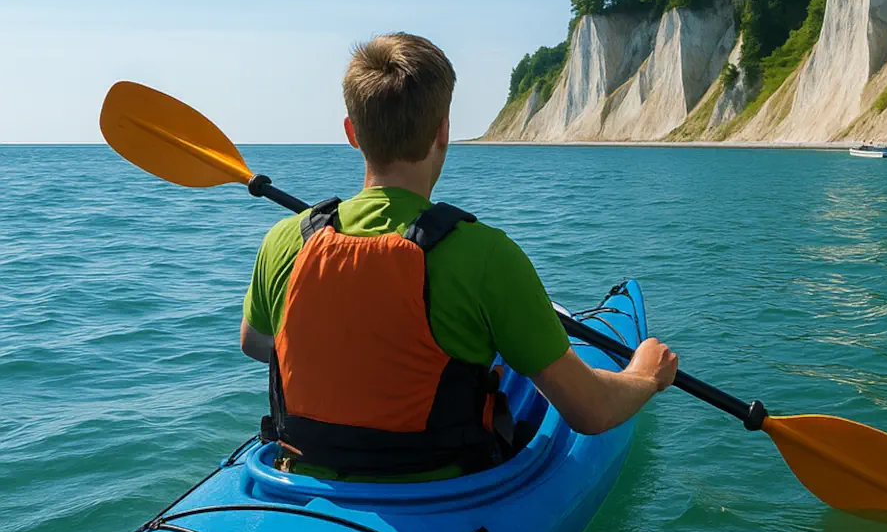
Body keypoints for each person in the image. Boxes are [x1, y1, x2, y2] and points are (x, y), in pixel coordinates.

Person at [238, 32, 677, 480]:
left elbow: (256, 343)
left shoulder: (285, 239)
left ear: (351, 132)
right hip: (442, 489)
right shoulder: (486, 255)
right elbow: (592, 412)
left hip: (299, 474)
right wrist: (646, 375)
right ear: (443, 131)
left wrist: (354, 342)